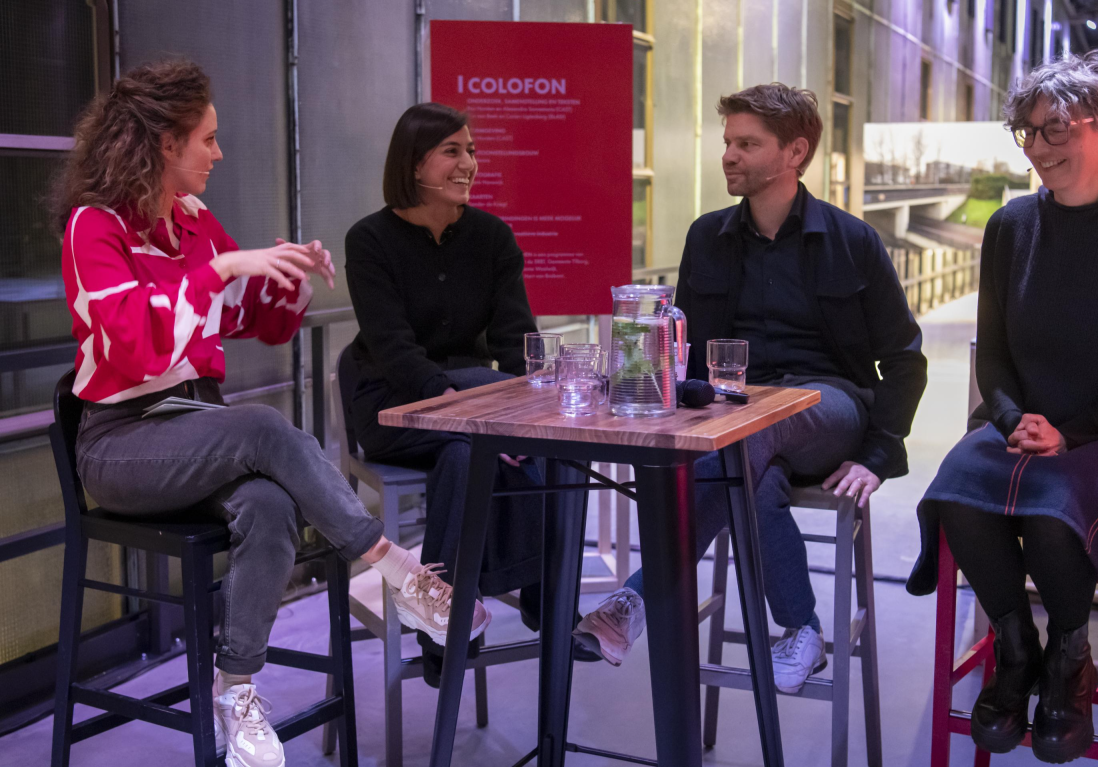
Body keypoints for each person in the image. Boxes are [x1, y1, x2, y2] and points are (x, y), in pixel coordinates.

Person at [56, 61, 486, 767]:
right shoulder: (93, 227)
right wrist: (222, 270)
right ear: (165, 142)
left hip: (197, 428)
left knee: (269, 504)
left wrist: (287, 275)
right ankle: (394, 569)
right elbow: (134, 346)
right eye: (208, 138)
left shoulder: (192, 222)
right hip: (121, 441)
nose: (219, 153)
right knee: (260, 427)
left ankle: (236, 690)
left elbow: (259, 320)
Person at [574, 83, 928, 693]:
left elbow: (904, 358)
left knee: (747, 436)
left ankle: (635, 597)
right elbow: (685, 347)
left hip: (827, 406)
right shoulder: (706, 236)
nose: (729, 156)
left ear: (795, 152)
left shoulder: (853, 241)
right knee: (753, 480)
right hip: (736, 414)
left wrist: (878, 455)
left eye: (747, 144)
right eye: (728, 142)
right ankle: (802, 630)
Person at [905, 51, 1098, 764]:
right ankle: (1017, 651)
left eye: (1057, 129)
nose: (1039, 147)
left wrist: (1070, 434)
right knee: (956, 490)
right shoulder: (1011, 225)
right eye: (1029, 132)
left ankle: (1070, 660)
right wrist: (1014, 421)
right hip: (1023, 424)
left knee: (1051, 508)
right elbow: (993, 355)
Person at [344, 103, 598, 682]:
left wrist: (521, 412)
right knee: (478, 441)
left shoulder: (492, 238)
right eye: (452, 151)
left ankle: (451, 624)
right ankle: (534, 596)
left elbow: (516, 343)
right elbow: (393, 349)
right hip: (393, 403)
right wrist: (478, 414)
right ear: (414, 163)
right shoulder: (370, 239)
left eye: (472, 151)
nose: (469, 163)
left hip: (470, 402)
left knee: (504, 448)